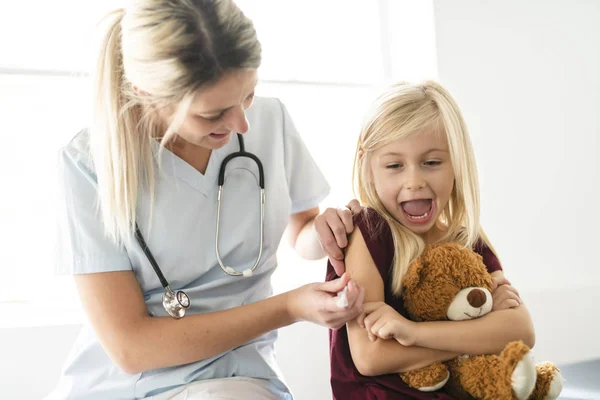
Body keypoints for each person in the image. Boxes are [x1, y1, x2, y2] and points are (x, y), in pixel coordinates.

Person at [47, 1, 365, 399]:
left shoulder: (271, 121)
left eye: (249, 95)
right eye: (214, 114)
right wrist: (289, 308)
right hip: (125, 384)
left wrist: (325, 234)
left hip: (237, 376)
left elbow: (301, 227)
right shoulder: (87, 164)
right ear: (147, 94)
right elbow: (131, 347)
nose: (241, 124)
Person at [326, 81, 535, 399]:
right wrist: (479, 334)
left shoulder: (467, 238)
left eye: (432, 162)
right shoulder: (365, 233)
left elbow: (521, 331)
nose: (414, 181)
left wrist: (411, 333)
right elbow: (371, 357)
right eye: (395, 166)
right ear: (368, 166)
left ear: (457, 163)